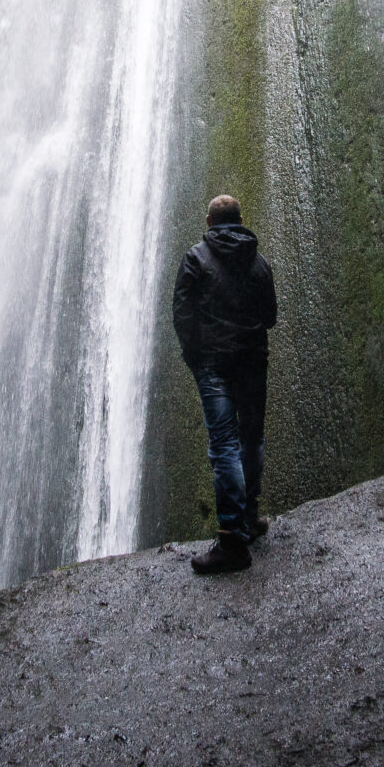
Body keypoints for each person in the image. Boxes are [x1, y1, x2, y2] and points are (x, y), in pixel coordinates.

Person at [172, 193, 278, 575]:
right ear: (241, 219)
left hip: (214, 364)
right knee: (252, 438)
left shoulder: (195, 258)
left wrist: (195, 355)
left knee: (224, 443)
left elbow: (182, 312)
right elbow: (270, 315)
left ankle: (232, 541)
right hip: (252, 361)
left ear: (209, 222)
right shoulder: (259, 261)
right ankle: (248, 519)